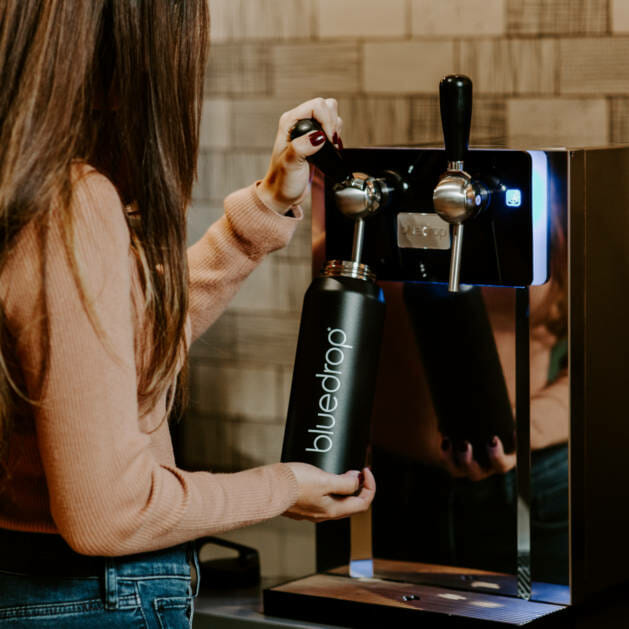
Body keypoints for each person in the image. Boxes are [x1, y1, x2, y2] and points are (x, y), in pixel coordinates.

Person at [0, 2, 375, 627]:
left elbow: (119, 357)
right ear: (126, 60)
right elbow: (110, 512)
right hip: (84, 597)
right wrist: (282, 487)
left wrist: (265, 206)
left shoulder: (28, 188)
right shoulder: (72, 207)